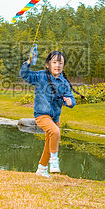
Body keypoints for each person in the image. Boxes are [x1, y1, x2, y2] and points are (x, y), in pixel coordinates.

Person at [20, 49, 76, 177]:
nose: (57, 65)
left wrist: (70, 102)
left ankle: (42, 169)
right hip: (41, 115)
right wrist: (28, 61)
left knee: (48, 144)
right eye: (55, 62)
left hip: (54, 118)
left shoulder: (64, 82)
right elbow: (24, 74)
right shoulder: (40, 76)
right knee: (55, 132)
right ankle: (54, 161)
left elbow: (71, 98)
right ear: (47, 64)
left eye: (60, 63)